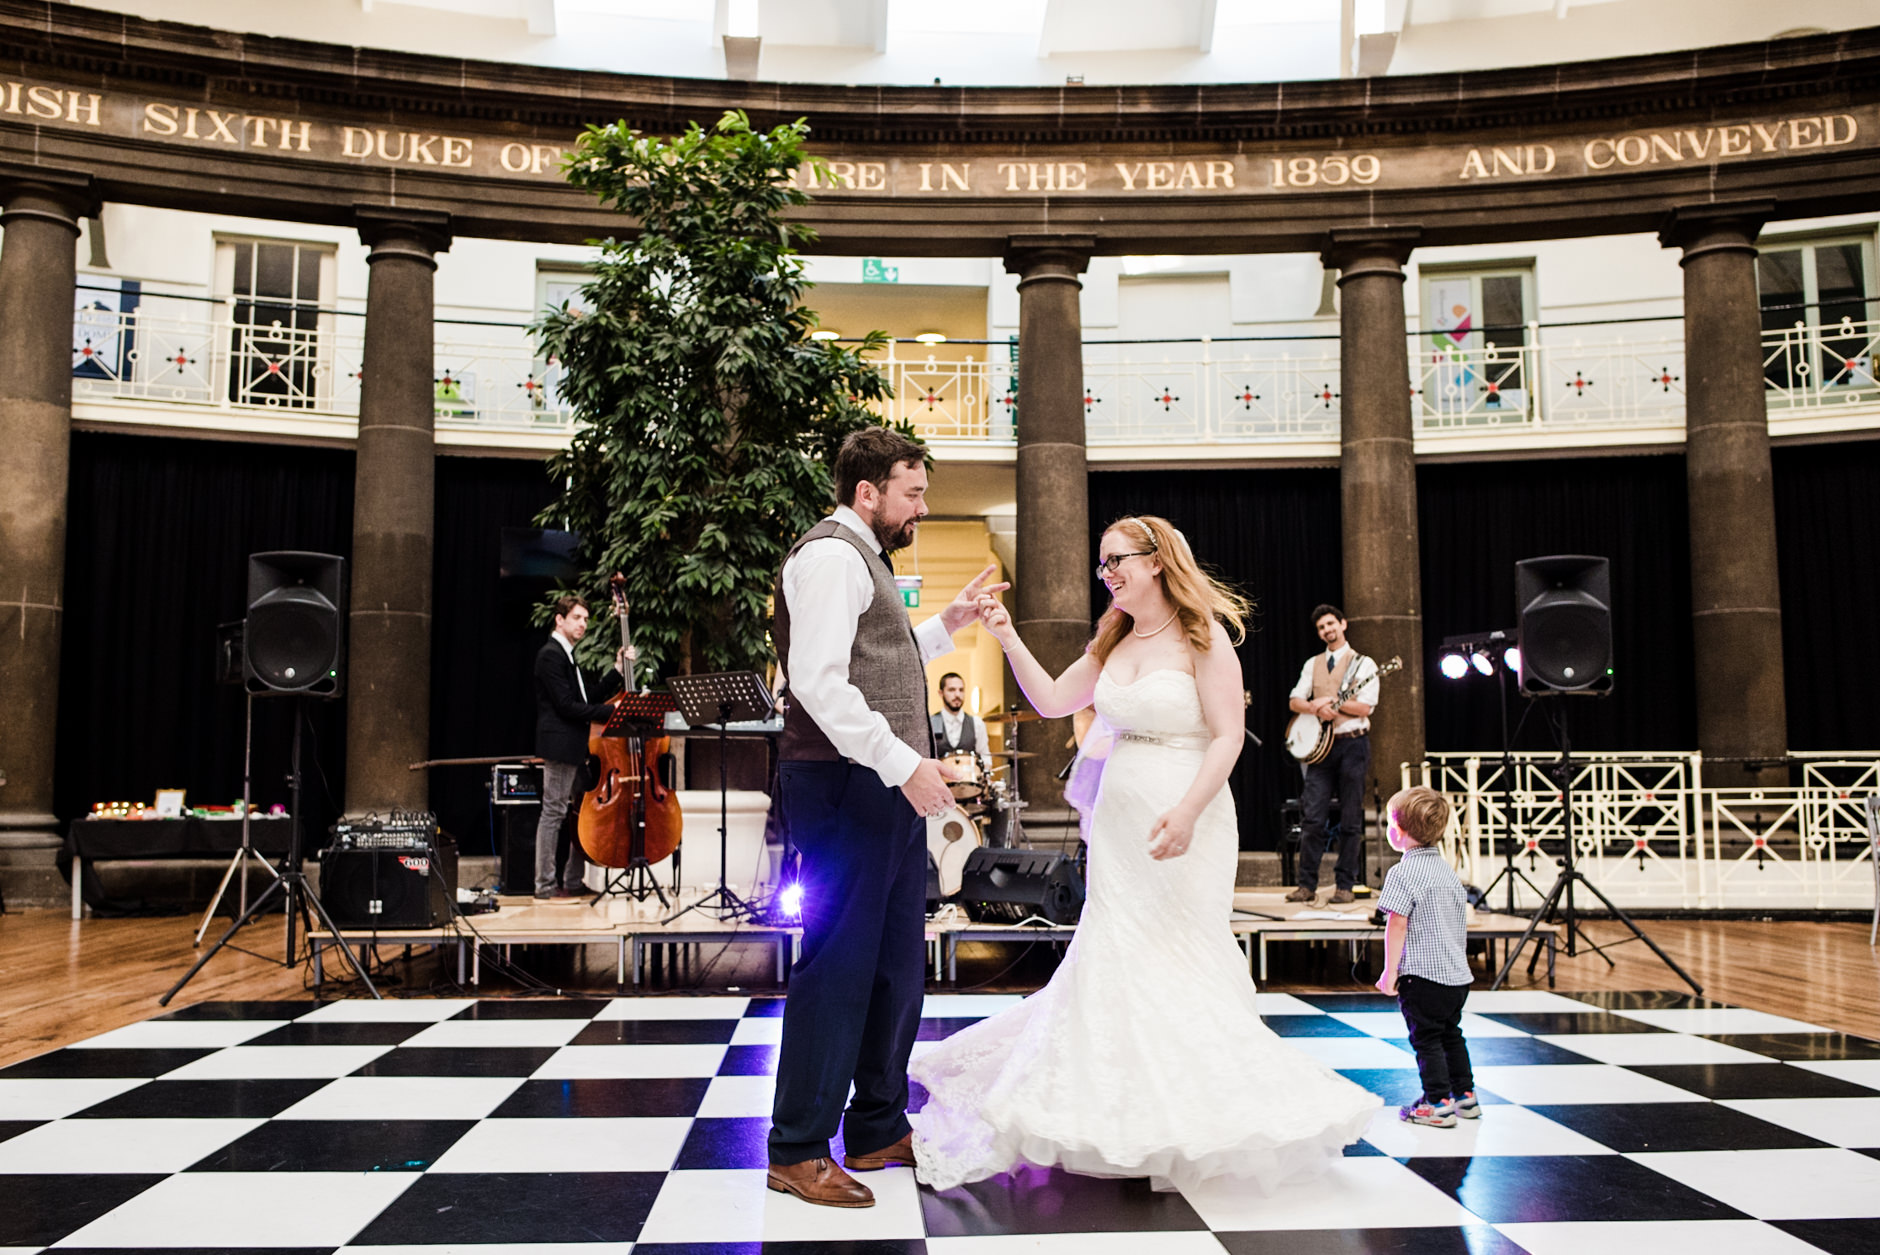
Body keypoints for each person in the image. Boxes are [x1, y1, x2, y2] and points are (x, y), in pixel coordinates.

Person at [910, 515, 1381, 1194]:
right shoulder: (1114, 640)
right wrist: (1006, 635)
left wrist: (1187, 811)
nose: (1107, 574)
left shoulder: (1203, 637)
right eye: (1101, 565)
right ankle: (1123, 1107)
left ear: (1157, 561)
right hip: (1121, 833)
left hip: (1192, 821)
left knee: (1181, 952)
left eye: (1117, 561)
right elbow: (1048, 699)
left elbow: (1228, 735)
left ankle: (1197, 1110)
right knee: (1116, 953)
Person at [767, 425, 1008, 1209]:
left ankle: (875, 1125)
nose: (923, 507)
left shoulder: (862, 559)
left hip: (881, 788)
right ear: (867, 491)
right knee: (838, 962)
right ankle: (798, 1146)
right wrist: (907, 764)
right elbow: (821, 684)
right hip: (844, 786)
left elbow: (884, 654)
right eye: (913, 491)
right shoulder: (833, 555)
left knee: (896, 961)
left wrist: (952, 622)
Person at [1375, 785, 1479, 1128]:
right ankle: (1465, 1096)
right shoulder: (1448, 873)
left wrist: (1390, 971)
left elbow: (1396, 923)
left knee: (1427, 1040)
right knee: (1451, 1034)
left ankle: (1437, 1103)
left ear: (1399, 832)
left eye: (1391, 822)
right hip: (1456, 977)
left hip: (1422, 977)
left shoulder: (1402, 873)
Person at [531, 594, 625, 902]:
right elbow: (568, 707)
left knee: (582, 813)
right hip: (560, 746)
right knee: (554, 813)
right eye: (577, 618)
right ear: (560, 619)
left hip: (575, 747)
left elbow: (589, 698)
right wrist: (614, 713)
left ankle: (572, 880)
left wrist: (618, 671)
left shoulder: (567, 655)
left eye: (585, 618)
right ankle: (544, 886)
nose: (583, 623)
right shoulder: (551, 655)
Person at [1286, 604, 1379, 905]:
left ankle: (1345, 885)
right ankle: (1306, 885)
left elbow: (1365, 707)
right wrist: (1315, 705)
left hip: (1352, 744)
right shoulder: (1312, 663)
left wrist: (1332, 703)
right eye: (1321, 627)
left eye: (1330, 624)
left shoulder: (1364, 664)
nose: (1327, 630)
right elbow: (1295, 700)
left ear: (1343, 624)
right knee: (1313, 818)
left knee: (1351, 818)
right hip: (1321, 749)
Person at [930, 672, 980, 756]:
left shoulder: (977, 723)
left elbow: (985, 758)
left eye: (961, 690)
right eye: (952, 690)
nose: (957, 694)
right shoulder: (931, 723)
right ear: (941, 693)